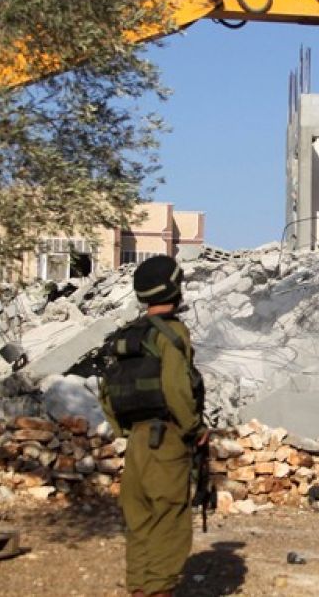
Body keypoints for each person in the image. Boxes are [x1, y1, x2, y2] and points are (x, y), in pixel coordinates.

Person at [99, 255, 207, 597]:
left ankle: (140, 588)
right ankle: (159, 589)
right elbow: (176, 386)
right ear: (175, 289)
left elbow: (106, 391)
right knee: (169, 520)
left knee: (140, 520)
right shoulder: (172, 333)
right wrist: (193, 428)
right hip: (168, 438)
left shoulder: (128, 335)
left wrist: (125, 432)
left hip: (137, 441)